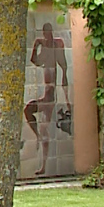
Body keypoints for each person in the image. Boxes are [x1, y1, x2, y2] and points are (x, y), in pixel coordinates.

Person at [25, 22, 70, 174]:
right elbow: (34, 61)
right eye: (45, 33)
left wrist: (66, 98)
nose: (47, 36)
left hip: (50, 98)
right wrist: (36, 45)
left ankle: (43, 165)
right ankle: (38, 137)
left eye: (48, 32)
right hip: (47, 96)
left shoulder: (57, 46)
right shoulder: (44, 51)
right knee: (30, 112)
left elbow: (64, 67)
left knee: (44, 127)